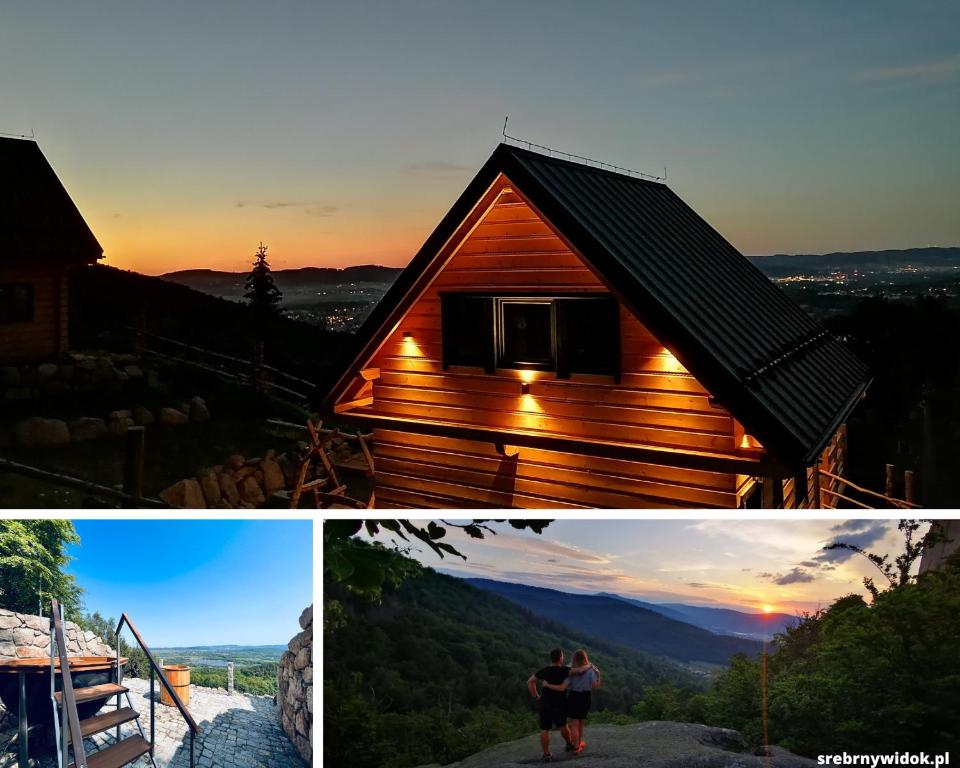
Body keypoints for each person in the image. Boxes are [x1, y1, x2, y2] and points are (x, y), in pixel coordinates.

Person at [526, 648, 595, 762]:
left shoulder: (545, 670)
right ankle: (569, 744)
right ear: (560, 658)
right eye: (562, 656)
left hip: (545, 701)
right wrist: (590, 665)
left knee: (544, 729)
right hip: (559, 702)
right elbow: (580, 671)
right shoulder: (564, 670)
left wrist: (536, 696)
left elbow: (530, 682)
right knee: (563, 725)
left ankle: (547, 754)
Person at [540, 649, 601, 755]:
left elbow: (563, 687)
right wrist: (598, 676)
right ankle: (579, 743)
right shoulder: (591, 670)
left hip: (573, 696)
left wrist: (547, 685)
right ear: (585, 658)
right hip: (585, 697)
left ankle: (576, 746)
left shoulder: (569, 669)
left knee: (575, 723)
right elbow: (595, 686)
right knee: (581, 721)